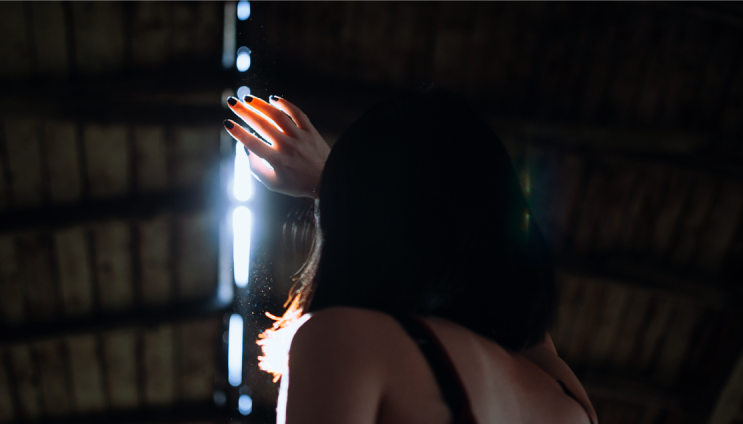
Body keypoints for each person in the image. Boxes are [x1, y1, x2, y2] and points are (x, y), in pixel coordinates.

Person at [223, 89, 598, 424]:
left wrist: (339, 185)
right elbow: (481, 257)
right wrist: (339, 183)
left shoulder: (346, 341)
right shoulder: (564, 395)